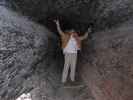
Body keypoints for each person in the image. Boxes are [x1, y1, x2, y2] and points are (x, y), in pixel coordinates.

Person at [54, 19, 91, 84]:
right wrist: (58, 24)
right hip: (68, 53)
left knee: (73, 66)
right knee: (66, 66)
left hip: (74, 54)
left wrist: (88, 31)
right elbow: (60, 32)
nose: (74, 32)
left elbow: (84, 37)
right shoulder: (65, 36)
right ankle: (63, 80)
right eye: (72, 31)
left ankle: (72, 79)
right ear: (69, 31)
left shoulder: (76, 38)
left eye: (74, 31)